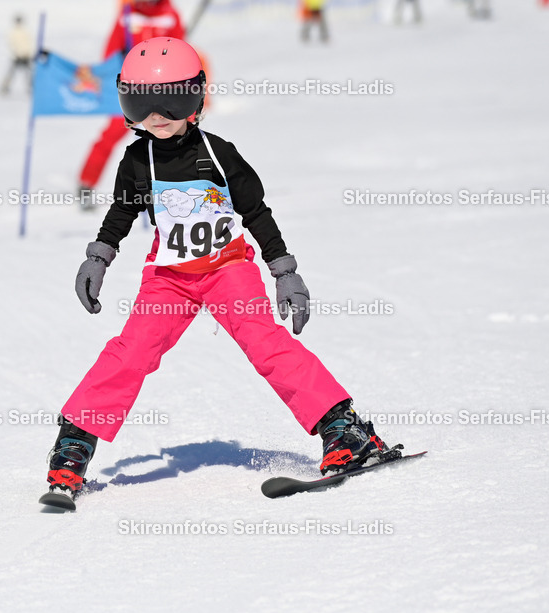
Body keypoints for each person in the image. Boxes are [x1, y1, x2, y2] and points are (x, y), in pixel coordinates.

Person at [40, 37, 401, 509]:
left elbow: (257, 212)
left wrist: (284, 271)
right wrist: (98, 256)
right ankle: (74, 444)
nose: (156, 114)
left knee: (266, 343)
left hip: (228, 267)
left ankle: (346, 431)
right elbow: (121, 214)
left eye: (169, 100)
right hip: (169, 276)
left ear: (194, 98)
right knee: (132, 351)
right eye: (141, 102)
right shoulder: (137, 160)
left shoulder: (219, 154)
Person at [77, 0, 184, 210]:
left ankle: (181, 187)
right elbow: (112, 50)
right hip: (133, 91)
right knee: (112, 133)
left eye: (149, 1)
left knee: (177, 137)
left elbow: (181, 51)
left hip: (164, 92)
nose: (145, 6)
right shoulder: (127, 14)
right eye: (141, 1)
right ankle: (86, 183)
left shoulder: (170, 16)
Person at [0, 15, 34, 96]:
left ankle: (31, 88)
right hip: (17, 56)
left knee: (28, 74)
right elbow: (12, 44)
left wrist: (29, 53)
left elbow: (28, 44)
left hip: (25, 55)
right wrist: (17, 53)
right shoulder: (14, 32)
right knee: (12, 73)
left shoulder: (23, 31)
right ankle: (5, 87)